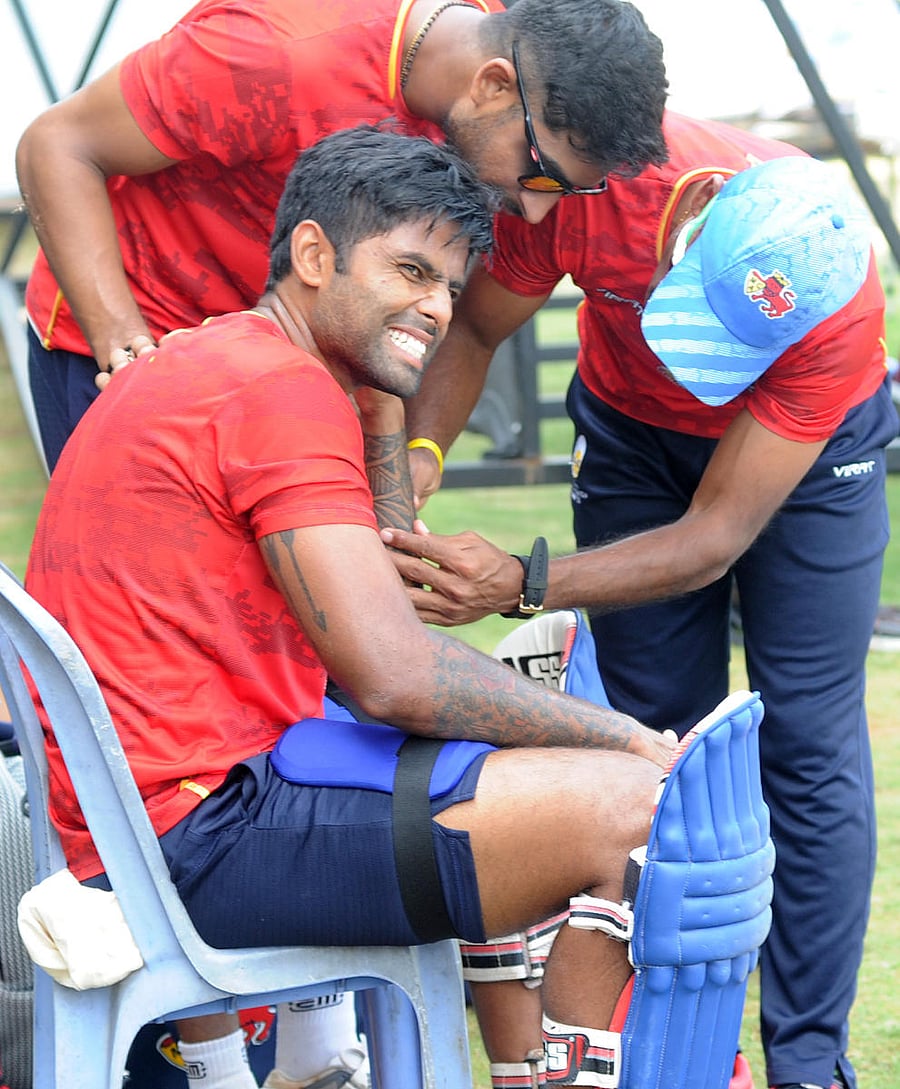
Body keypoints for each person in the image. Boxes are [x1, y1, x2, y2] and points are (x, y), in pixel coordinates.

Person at [24, 126, 689, 1089]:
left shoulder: (236, 361)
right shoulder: (275, 391)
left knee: (527, 769)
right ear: (311, 254)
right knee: (638, 808)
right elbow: (394, 673)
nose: (435, 305)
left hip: (165, 802)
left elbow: (372, 599)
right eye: (411, 270)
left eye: (451, 287)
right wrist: (622, 735)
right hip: (191, 830)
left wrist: (381, 410)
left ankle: (383, 1063)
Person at [388, 118, 898, 1089]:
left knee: (810, 739)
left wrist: (522, 580)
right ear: (694, 210)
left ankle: (807, 1061)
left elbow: (710, 544)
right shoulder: (586, 168)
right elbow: (485, 322)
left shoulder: (834, 308)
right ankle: (672, 1051)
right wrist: (415, 465)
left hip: (809, 458)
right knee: (643, 739)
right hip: (631, 434)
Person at [15, 0, 669, 474]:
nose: (531, 214)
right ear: (492, 85)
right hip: (143, 331)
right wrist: (127, 351)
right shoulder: (275, 51)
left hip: (286, 358)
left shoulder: (515, 63)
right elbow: (58, 145)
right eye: (542, 177)